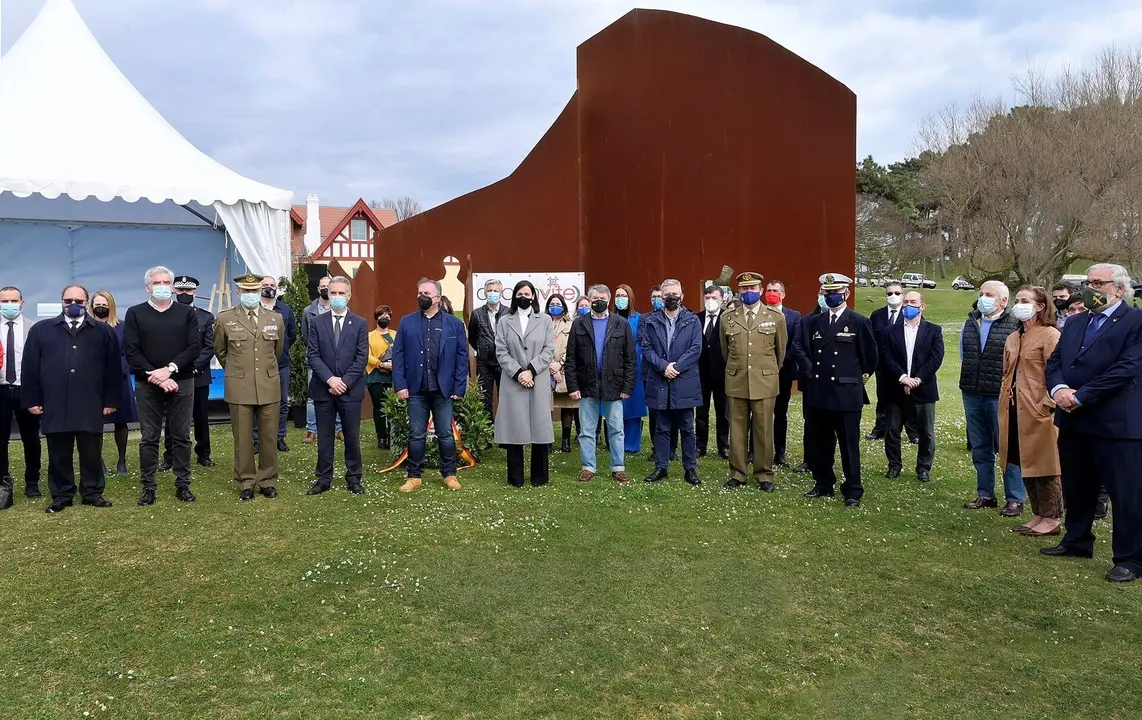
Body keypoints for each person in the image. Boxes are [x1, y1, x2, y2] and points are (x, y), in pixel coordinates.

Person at [1043, 264, 1142, 583]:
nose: (1090, 288)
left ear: (1118, 288)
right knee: (1077, 484)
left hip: (1115, 423)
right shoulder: (1075, 321)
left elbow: (1127, 368)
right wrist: (1058, 390)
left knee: (1124, 492)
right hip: (1073, 420)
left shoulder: (1135, 321)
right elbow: (1055, 360)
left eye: (1097, 283)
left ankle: (1130, 558)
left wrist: (1082, 395)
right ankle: (1077, 540)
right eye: (1087, 282)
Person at [22, 285, 120, 513]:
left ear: (87, 301)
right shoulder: (41, 330)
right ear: (61, 302)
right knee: (58, 452)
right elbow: (30, 368)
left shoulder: (103, 332)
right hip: (54, 401)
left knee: (91, 451)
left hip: (90, 401)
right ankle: (61, 494)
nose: (73, 304)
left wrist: (111, 400)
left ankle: (93, 492)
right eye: (68, 300)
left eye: (78, 300)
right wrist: (32, 399)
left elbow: (113, 369)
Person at [123, 266, 201, 506]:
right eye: (157, 282)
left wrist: (170, 370)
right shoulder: (135, 313)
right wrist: (156, 376)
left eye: (167, 282)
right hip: (148, 384)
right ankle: (148, 487)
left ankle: (183, 484)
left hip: (182, 381)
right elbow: (131, 350)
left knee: (181, 436)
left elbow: (193, 347)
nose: (163, 286)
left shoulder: (186, 313)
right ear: (148, 287)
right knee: (149, 437)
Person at [800, 273, 877, 506]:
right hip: (819, 391)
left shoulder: (859, 322)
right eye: (827, 293)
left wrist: (857, 378)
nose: (831, 296)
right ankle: (823, 483)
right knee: (820, 442)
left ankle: (853, 489)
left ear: (846, 293)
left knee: (848, 444)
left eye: (835, 292)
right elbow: (804, 350)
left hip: (845, 393)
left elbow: (870, 358)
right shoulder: (814, 322)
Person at [392, 278, 469, 492]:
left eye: (425, 293)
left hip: (443, 391)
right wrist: (400, 385)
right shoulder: (407, 322)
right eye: (419, 292)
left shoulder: (454, 324)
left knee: (445, 434)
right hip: (416, 390)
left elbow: (462, 359)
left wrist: (459, 388)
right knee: (416, 434)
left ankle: (450, 474)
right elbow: (398, 356)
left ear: (437, 298)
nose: (421, 296)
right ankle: (414, 476)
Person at [214, 273, 286, 501]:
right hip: (239, 386)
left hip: (268, 384)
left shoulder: (275, 318)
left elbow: (277, 351)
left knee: (268, 437)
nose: (250, 295)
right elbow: (221, 351)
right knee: (243, 439)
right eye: (246, 291)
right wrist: (238, 370)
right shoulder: (225, 318)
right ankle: (246, 481)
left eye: (254, 291)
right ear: (238, 293)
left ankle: (267, 480)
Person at [998, 286, 1062, 537]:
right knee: (1024, 460)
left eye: (1025, 300)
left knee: (1045, 463)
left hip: (1039, 410)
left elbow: (1056, 372)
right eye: (1017, 300)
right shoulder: (1013, 337)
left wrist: (1048, 404)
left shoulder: (1050, 335)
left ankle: (1052, 517)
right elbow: (1006, 372)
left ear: (1041, 306)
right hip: (1013, 409)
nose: (1018, 304)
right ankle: (1038, 513)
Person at [960, 280, 1026, 517]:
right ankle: (986, 493)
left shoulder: (1014, 325)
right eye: (981, 293)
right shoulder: (970, 322)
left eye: (989, 294)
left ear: (1003, 301)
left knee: (1007, 448)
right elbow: (963, 354)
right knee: (980, 447)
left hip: (1000, 395)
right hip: (972, 392)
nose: (983, 298)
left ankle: (1015, 498)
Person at [721, 272, 788, 491]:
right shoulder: (727, 317)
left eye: (752, 289)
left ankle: (764, 474)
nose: (748, 292)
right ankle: (738, 473)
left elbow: (780, 351)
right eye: (744, 289)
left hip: (764, 381)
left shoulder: (776, 317)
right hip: (737, 380)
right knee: (737, 430)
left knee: (763, 429)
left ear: (760, 290)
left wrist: (767, 372)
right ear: (738, 291)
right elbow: (726, 351)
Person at [564, 284, 635, 484]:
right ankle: (588, 467)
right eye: (594, 298)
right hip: (587, 385)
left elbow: (630, 359)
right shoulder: (579, 324)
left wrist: (627, 387)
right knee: (586, 430)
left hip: (614, 384)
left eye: (602, 298)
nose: (598, 301)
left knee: (616, 429)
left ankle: (618, 468)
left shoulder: (621, 324)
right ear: (590, 298)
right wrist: (573, 386)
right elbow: (571, 359)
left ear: (609, 299)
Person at [306, 276, 369, 495]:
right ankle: (323, 479)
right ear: (327, 295)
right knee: (325, 437)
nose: (337, 297)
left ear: (349, 296)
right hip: (324, 389)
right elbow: (313, 355)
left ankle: (354, 477)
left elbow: (362, 357)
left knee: (351, 436)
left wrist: (344, 382)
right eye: (333, 293)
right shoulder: (316, 323)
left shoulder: (360, 323)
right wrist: (330, 379)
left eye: (342, 293)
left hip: (350, 391)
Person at [640, 279, 703, 485]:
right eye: (666, 295)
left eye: (675, 294)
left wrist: (676, 367)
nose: (671, 297)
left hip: (684, 380)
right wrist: (663, 366)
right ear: (661, 296)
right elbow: (647, 348)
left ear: (682, 296)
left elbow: (695, 349)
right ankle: (661, 467)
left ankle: (690, 469)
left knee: (687, 428)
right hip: (660, 379)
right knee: (661, 427)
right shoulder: (650, 320)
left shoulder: (692, 320)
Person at [494, 280, 555, 487]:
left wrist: (531, 370)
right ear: (514, 296)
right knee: (514, 428)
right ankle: (515, 478)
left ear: (533, 296)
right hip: (513, 381)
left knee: (539, 426)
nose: (523, 296)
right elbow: (501, 351)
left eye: (527, 293)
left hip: (538, 379)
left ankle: (539, 477)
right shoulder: (504, 321)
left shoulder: (545, 320)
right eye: (520, 293)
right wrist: (519, 372)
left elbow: (549, 350)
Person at [879, 291, 944, 482]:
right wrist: (902, 377)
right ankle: (894, 465)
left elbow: (936, 358)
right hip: (895, 388)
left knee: (926, 432)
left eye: (913, 302)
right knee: (892, 430)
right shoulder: (889, 331)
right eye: (905, 302)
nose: (908, 305)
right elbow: (886, 357)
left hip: (924, 389)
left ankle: (923, 468)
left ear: (922, 306)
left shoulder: (934, 330)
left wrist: (917, 379)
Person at [160, 276, 215, 470]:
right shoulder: (165, 315)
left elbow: (210, 346)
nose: (184, 294)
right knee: (172, 418)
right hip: (172, 375)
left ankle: (204, 454)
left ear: (195, 293)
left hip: (198, 374)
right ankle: (170, 456)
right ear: (174, 292)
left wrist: (194, 366)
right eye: (181, 291)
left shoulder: (206, 317)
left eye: (188, 291)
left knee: (201, 416)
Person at [0, 285, 42, 498]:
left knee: (31, 438)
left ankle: (32, 482)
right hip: (1, 392)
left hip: (26, 391)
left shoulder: (33, 328)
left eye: (13, 301)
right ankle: (3, 482)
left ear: (22, 303)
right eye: (4, 301)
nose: (9, 305)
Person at [90, 290, 137, 476]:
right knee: (95, 424)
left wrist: (117, 370)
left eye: (104, 304)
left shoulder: (122, 327)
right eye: (97, 304)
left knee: (121, 422)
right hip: (93, 383)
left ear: (111, 305)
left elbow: (129, 354)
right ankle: (98, 462)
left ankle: (122, 461)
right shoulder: (87, 327)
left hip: (119, 381)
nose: (101, 307)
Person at [868, 282, 919, 444]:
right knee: (882, 398)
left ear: (903, 295)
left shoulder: (910, 315)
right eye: (889, 293)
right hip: (882, 366)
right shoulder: (877, 315)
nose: (893, 296)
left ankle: (912, 432)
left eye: (897, 293)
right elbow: (871, 340)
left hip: (904, 366)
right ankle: (880, 428)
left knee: (907, 399)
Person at [251, 275, 297, 454]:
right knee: (256, 401)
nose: (269, 288)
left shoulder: (285, 311)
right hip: (258, 364)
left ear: (277, 288)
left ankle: (279, 437)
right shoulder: (253, 308)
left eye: (272, 285)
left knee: (282, 402)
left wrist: (280, 349)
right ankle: (256, 439)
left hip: (281, 363)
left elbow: (291, 335)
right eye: (265, 285)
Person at [765, 279, 805, 467]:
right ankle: (753, 450)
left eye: (775, 290)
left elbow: (795, 344)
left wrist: (778, 362)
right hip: (760, 373)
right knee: (757, 413)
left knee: (780, 413)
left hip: (783, 372)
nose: (771, 293)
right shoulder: (757, 314)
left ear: (783, 294)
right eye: (769, 290)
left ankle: (779, 453)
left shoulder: (794, 316)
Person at [791, 288, 827, 474]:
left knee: (831, 424)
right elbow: (797, 347)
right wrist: (810, 368)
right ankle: (809, 460)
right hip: (811, 380)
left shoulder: (851, 320)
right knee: (810, 422)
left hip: (833, 382)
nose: (824, 296)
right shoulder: (806, 320)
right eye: (821, 292)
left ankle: (826, 461)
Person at [301, 275, 340, 443]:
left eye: (328, 286)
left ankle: (339, 428)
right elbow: (305, 336)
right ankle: (311, 430)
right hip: (315, 361)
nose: (325, 289)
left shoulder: (340, 308)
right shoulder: (308, 311)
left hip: (337, 360)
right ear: (318, 290)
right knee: (312, 397)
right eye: (322, 286)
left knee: (339, 392)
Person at [696, 284, 729, 459]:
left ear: (721, 300)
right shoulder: (697, 318)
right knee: (701, 412)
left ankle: (723, 446)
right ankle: (700, 446)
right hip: (700, 374)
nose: (710, 301)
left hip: (722, 374)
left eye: (714, 298)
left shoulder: (727, 318)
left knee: (723, 411)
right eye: (707, 298)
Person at [467, 279, 508, 419]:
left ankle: (506, 431)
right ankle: (488, 433)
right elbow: (472, 337)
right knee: (485, 399)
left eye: (495, 291)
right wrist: (482, 349)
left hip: (504, 362)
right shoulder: (477, 314)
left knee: (506, 398)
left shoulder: (509, 313)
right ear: (484, 293)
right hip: (484, 363)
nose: (492, 294)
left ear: (501, 293)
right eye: (490, 291)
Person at [615, 284, 649, 454]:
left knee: (633, 404)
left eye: (624, 295)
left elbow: (643, 342)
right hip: (613, 368)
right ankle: (615, 439)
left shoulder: (639, 318)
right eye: (618, 295)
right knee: (615, 404)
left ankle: (632, 443)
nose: (620, 299)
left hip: (634, 366)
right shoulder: (610, 318)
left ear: (630, 298)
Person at [547, 294, 579, 453]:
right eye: (552, 303)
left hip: (564, 370)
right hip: (545, 370)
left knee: (567, 406)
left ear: (564, 306)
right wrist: (550, 366)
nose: (554, 306)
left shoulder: (571, 324)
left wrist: (559, 365)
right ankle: (547, 440)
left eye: (557, 303)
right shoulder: (541, 323)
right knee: (547, 407)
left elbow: (573, 347)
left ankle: (565, 441)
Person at [366, 305, 396, 449]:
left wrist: (394, 364)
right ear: (376, 317)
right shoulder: (369, 336)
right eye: (382, 315)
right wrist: (381, 364)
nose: (385, 317)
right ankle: (381, 437)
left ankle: (392, 435)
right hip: (376, 376)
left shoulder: (396, 334)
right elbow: (366, 355)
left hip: (394, 376)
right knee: (379, 408)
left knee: (392, 407)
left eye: (387, 315)